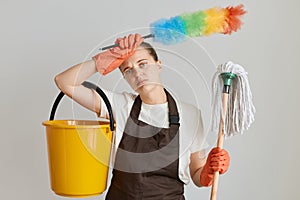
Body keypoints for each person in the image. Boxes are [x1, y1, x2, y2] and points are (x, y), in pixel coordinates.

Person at [54, 33, 230, 200]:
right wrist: (104, 59)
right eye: (128, 70)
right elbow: (64, 82)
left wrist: (208, 171)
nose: (137, 74)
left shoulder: (190, 115)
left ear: (159, 64)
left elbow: (196, 174)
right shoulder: (120, 106)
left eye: (143, 63)